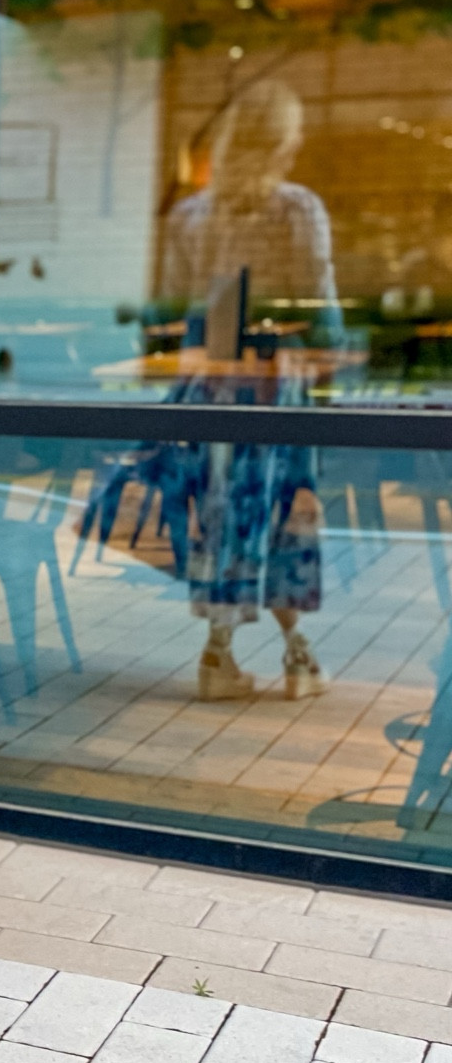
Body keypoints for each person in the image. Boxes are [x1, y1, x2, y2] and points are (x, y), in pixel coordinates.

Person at [159, 80, 337, 702]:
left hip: (210, 385)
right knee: (287, 509)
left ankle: (219, 654)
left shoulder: (190, 216)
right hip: (277, 385)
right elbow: (323, 309)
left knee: (222, 513)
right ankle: (297, 655)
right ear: (282, 141)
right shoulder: (298, 209)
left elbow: (178, 309)